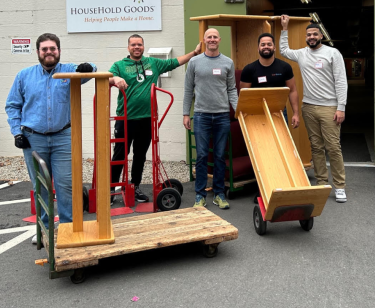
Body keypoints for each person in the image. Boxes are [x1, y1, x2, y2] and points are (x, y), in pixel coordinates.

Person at [5, 33, 96, 243]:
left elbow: (91, 69)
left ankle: (67, 228)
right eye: (44, 49)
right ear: (38, 52)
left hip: (63, 137)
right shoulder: (24, 76)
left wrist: (88, 67)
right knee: (41, 186)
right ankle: (45, 230)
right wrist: (17, 133)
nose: (49, 52)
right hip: (32, 138)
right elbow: (12, 105)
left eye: (52, 48)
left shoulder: (69, 71)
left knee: (65, 185)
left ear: (59, 51)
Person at [108, 34, 201, 203]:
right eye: (133, 45)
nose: (137, 47)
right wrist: (115, 78)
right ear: (128, 47)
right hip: (125, 118)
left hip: (147, 118)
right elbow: (107, 79)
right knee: (120, 154)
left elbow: (175, 62)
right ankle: (111, 189)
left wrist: (194, 53)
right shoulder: (119, 65)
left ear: (143, 46)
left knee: (140, 155)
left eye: (140, 45)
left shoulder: (152, 63)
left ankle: (134, 186)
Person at [279, 15, 348, 202]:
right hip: (308, 107)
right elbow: (284, 50)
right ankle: (321, 182)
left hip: (330, 107)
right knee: (316, 148)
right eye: (308, 34)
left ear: (321, 36)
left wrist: (340, 107)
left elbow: (341, 82)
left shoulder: (333, 53)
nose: (311, 37)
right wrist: (284, 28)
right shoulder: (302, 53)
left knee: (333, 147)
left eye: (314, 34)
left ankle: (340, 186)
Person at [183, 28, 238, 210]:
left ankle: (219, 194)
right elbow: (188, 90)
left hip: (222, 115)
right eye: (209, 37)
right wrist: (185, 113)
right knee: (201, 156)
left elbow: (231, 90)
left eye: (215, 37)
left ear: (219, 40)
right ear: (204, 40)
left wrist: (238, 110)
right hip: (201, 116)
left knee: (220, 156)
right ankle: (200, 195)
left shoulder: (227, 63)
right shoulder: (194, 62)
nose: (212, 39)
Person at [239, 32, 300, 128]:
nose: (266, 47)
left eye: (269, 44)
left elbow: (292, 91)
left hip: (279, 112)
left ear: (274, 48)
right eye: (263, 44)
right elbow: (244, 95)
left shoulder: (285, 67)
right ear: (258, 48)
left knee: (282, 142)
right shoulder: (249, 69)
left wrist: (296, 114)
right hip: (256, 113)